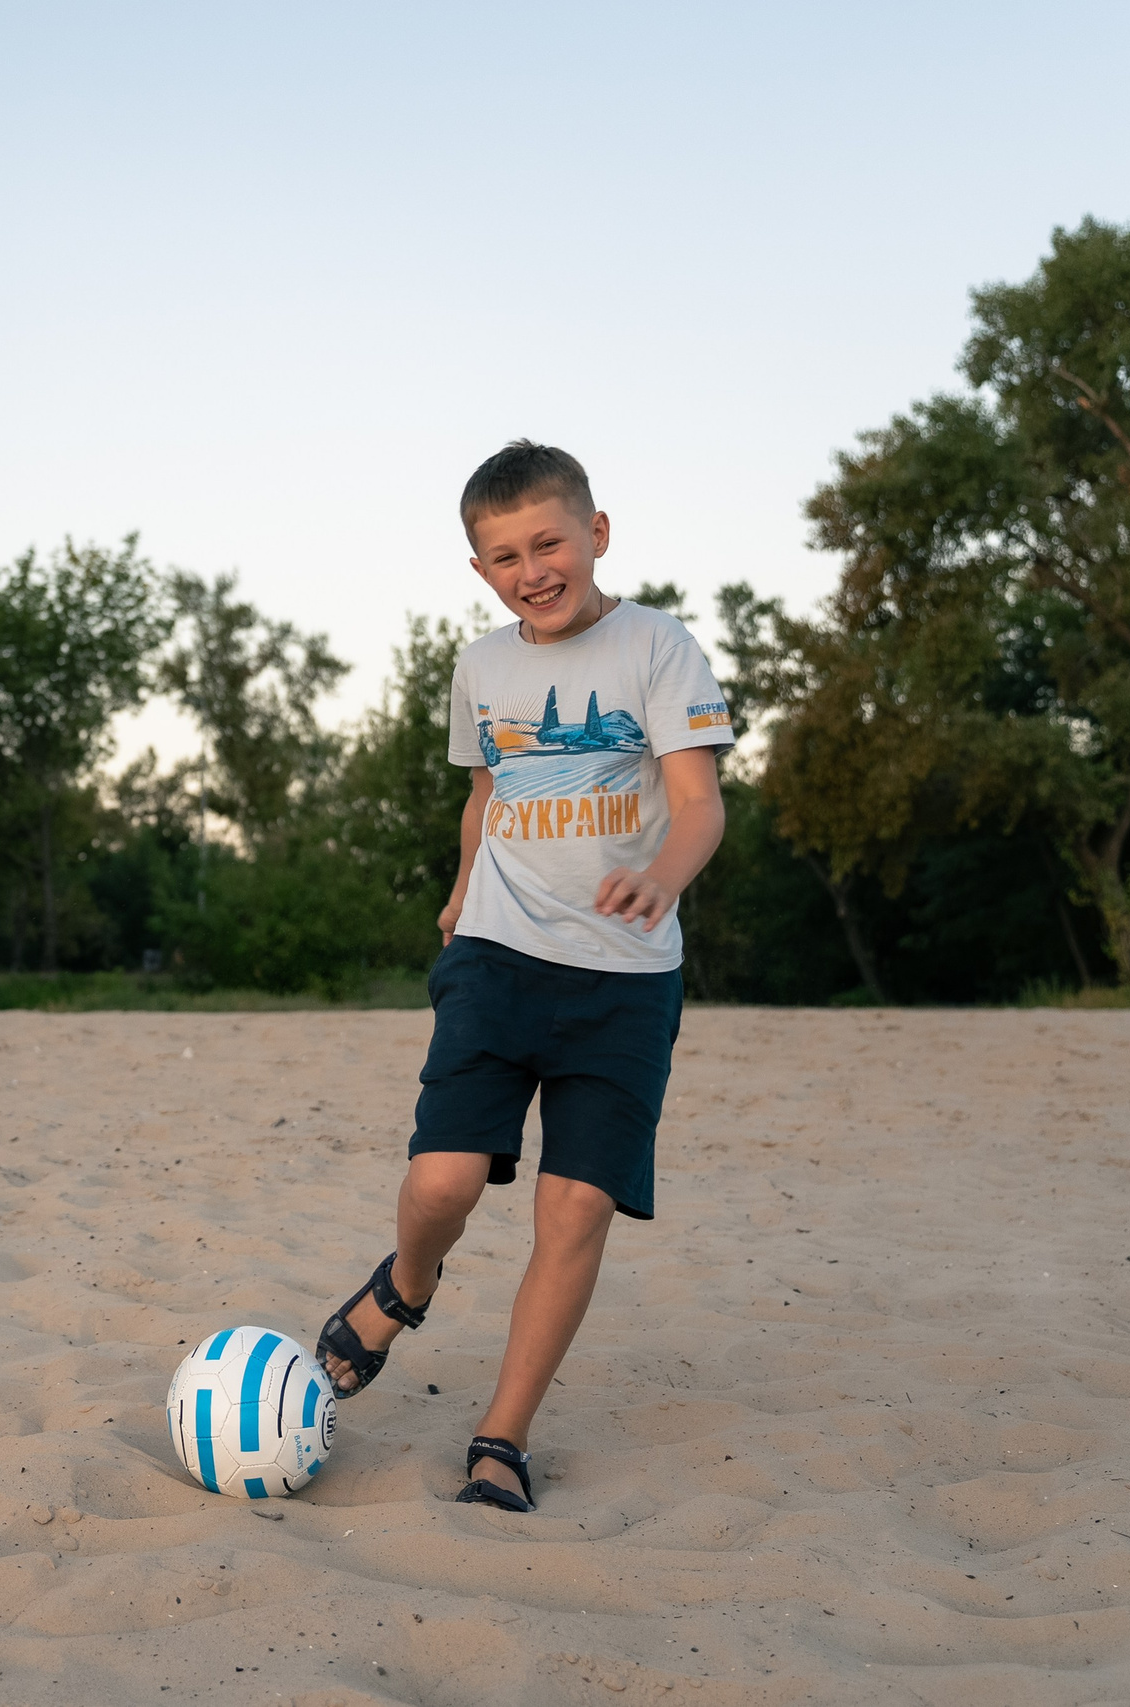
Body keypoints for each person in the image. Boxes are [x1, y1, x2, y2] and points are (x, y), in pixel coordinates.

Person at [314, 440, 732, 1510]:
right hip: (495, 956)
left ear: (596, 533)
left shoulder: (658, 647)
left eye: (547, 541)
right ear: (479, 570)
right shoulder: (482, 667)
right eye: (503, 554)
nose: (530, 569)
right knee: (444, 1182)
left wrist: (661, 878)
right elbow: (487, 794)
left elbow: (697, 804)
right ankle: (406, 1285)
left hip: (625, 979)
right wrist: (459, 894)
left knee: (576, 1206)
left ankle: (501, 1433)